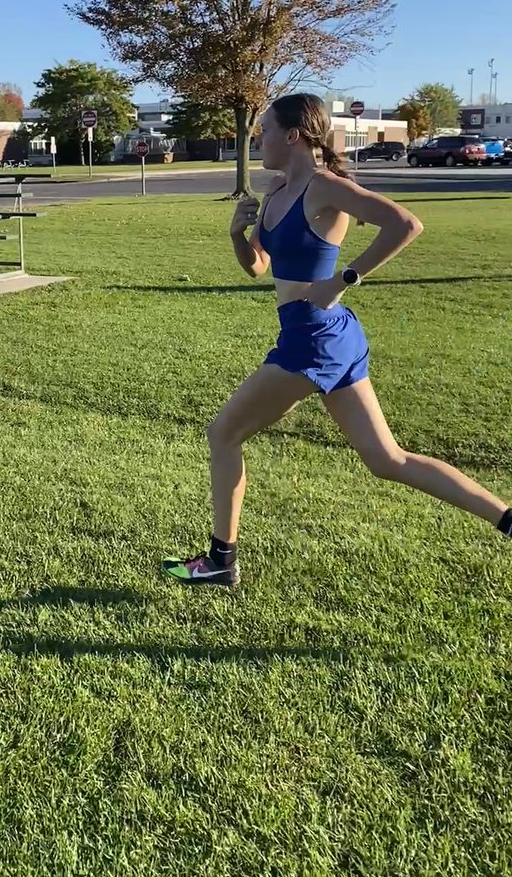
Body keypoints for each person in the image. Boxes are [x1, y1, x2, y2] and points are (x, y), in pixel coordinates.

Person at [163, 93, 511, 587]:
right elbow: (260, 267)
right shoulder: (278, 192)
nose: (257, 136)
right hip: (324, 337)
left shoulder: (326, 188)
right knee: (387, 460)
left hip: (314, 339)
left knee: (223, 432)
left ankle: (221, 560)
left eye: (264, 128)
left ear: (293, 135)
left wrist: (345, 277)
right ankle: (508, 519)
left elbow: (405, 224)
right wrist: (239, 235)